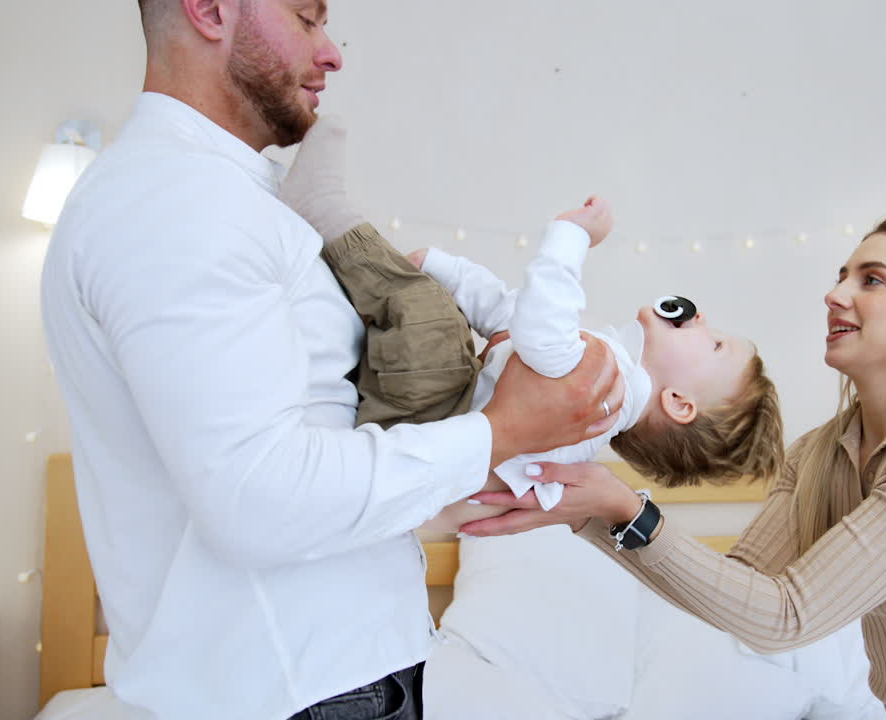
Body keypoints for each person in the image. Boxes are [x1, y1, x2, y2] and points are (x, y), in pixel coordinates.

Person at [39, 1, 624, 718]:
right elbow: (259, 497)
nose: (333, 53)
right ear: (210, 9)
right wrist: (502, 431)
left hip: (331, 676)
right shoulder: (179, 203)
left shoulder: (230, 198)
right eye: (307, 17)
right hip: (300, 689)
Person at [462, 215, 886, 720]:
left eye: (871, 280)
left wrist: (621, 509)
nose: (835, 292)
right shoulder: (825, 451)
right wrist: (594, 511)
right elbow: (739, 593)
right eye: (842, 273)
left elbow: (787, 618)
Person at [278, 118, 783, 532]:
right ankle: (326, 254)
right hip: (433, 411)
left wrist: (570, 238)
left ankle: (323, 210)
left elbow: (537, 329)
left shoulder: (607, 388)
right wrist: (451, 270)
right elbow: (510, 317)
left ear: (678, 402)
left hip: (434, 411)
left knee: (429, 316)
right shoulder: (605, 369)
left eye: (715, 344)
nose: (703, 323)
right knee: (432, 313)